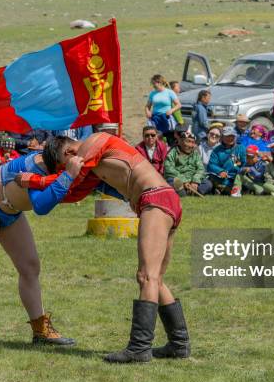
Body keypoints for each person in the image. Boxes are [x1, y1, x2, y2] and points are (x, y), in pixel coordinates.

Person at [40, 133, 191, 363]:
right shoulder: (92, 163)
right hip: (162, 198)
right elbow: (72, 192)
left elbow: (74, 176)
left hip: (155, 198)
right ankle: (179, 345)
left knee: (146, 276)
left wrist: (34, 181)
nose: (67, 168)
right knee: (156, 278)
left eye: (64, 164)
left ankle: (139, 348)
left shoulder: (94, 141)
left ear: (68, 152)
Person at [0, 149, 83, 354]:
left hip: (10, 211)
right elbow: (42, 205)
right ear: (62, 152)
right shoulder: (36, 165)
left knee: (30, 266)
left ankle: (40, 329)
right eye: (73, 153)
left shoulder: (51, 161)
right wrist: (68, 175)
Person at [164, 131, 212, 197]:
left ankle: (188, 192)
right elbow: (169, 169)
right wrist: (184, 181)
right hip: (179, 179)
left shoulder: (195, 154)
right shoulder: (172, 153)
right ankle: (186, 193)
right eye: (188, 141)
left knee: (208, 183)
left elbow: (200, 169)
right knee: (171, 181)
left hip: (192, 180)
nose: (190, 145)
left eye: (193, 142)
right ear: (180, 141)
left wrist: (195, 181)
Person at [208, 126, 246, 197]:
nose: (230, 138)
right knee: (212, 177)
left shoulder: (241, 148)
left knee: (239, 179)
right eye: (227, 136)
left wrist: (239, 168)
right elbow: (211, 164)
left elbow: (244, 163)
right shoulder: (217, 150)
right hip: (222, 177)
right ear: (222, 137)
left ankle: (224, 189)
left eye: (232, 136)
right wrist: (220, 171)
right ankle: (224, 189)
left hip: (236, 177)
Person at [145, 74, 181, 146]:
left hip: (166, 118)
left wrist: (171, 110)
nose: (154, 85)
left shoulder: (169, 92)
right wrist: (147, 112)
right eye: (153, 83)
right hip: (156, 118)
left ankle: (172, 154)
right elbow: (147, 106)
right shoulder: (152, 93)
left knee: (171, 140)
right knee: (157, 140)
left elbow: (179, 105)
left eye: (154, 83)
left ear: (160, 82)